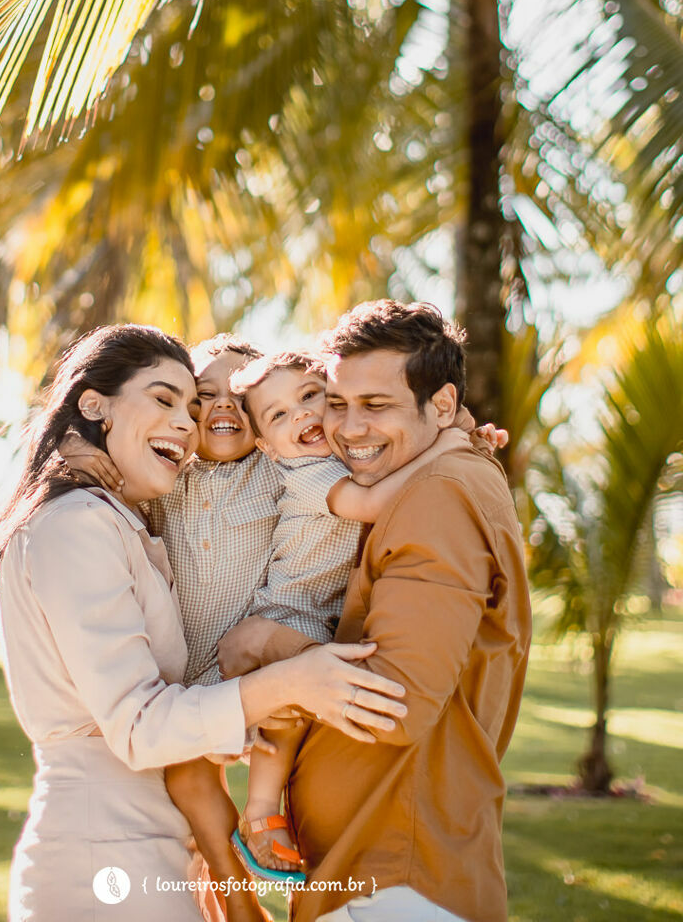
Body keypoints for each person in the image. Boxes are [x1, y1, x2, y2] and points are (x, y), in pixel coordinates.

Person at [0, 324, 411, 922]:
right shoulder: (76, 525)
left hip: (150, 857)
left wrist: (448, 432)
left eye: (189, 406)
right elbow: (141, 726)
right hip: (106, 863)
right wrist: (290, 682)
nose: (187, 421)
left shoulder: (121, 516)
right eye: (166, 399)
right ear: (95, 403)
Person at [216, 302, 533, 922]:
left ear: (440, 406)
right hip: (376, 873)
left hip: (398, 882)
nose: (349, 429)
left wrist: (269, 646)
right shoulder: (432, 476)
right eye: (338, 403)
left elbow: (397, 702)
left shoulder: (437, 495)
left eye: (377, 406)